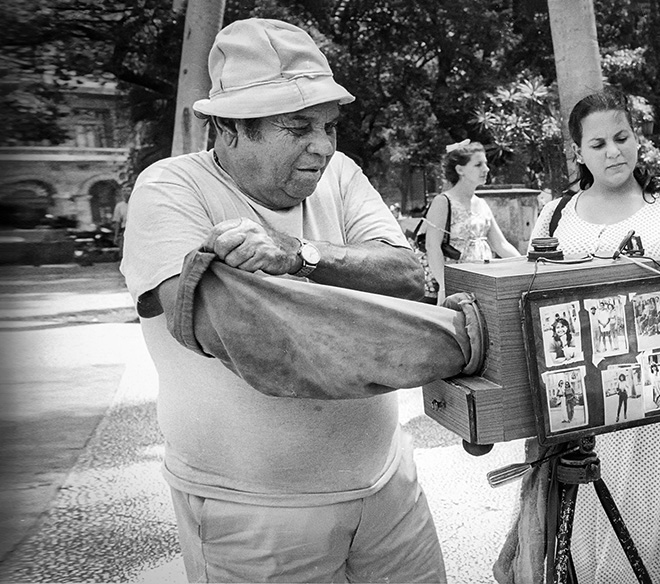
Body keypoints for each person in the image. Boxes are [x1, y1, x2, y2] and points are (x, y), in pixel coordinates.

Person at [119, 19, 446, 583]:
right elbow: (228, 329)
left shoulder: (340, 174)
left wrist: (298, 256)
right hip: (251, 512)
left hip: (389, 484)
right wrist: (433, 344)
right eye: (298, 127)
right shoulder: (169, 188)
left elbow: (413, 278)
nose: (322, 146)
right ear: (227, 128)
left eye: (328, 127)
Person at [495, 87, 660, 584]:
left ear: (637, 139)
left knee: (636, 517)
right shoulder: (554, 215)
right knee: (570, 525)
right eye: (598, 144)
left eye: (622, 137)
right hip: (569, 400)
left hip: (647, 397)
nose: (613, 152)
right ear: (578, 152)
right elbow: (531, 300)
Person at [420, 140, 521, 303]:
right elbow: (432, 247)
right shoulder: (443, 201)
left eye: (485, 164)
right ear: (460, 170)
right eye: (478, 165)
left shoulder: (481, 204)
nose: (486, 169)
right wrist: (446, 286)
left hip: (485, 283)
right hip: (458, 286)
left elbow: (500, 245)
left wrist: (525, 265)